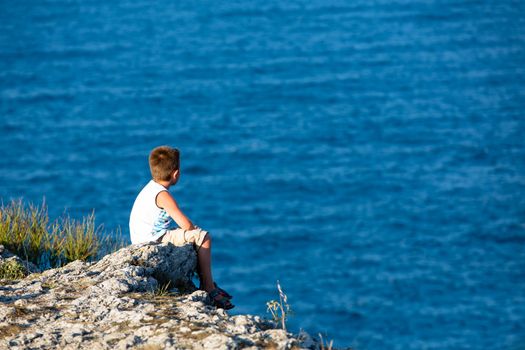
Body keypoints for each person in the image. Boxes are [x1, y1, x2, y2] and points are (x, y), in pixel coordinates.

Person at [129, 145, 234, 309]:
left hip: (142, 238)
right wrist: (194, 230)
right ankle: (208, 286)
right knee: (203, 237)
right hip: (153, 240)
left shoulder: (149, 189)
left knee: (193, 234)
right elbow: (185, 225)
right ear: (175, 173)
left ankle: (208, 284)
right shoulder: (163, 195)